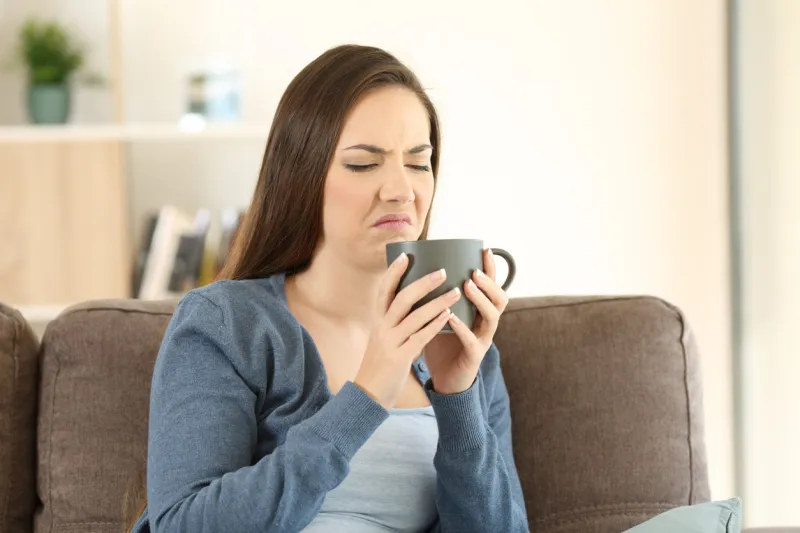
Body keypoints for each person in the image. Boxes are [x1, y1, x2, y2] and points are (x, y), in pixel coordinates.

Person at [130, 44, 528, 533]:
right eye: (364, 164)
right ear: (302, 175)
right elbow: (182, 526)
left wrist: (458, 396)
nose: (401, 189)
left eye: (419, 162)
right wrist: (367, 394)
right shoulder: (227, 323)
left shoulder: (468, 352)